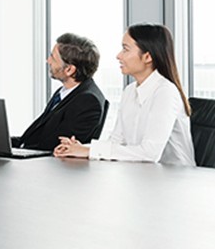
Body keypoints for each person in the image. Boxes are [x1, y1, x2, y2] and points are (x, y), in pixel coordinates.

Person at [54, 24, 195, 166]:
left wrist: (90, 151)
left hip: (175, 180)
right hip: (142, 175)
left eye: (125, 49)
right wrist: (81, 148)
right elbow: (116, 142)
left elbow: (150, 153)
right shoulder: (130, 91)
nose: (118, 56)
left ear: (147, 57)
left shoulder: (165, 92)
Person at [12, 33, 107, 151]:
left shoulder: (88, 101)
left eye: (53, 57)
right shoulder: (65, 92)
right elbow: (38, 135)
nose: (48, 61)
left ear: (69, 70)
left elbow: (57, 148)